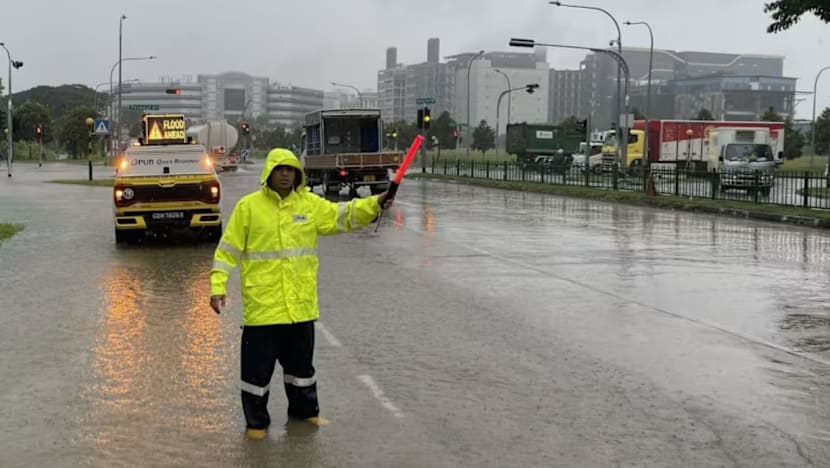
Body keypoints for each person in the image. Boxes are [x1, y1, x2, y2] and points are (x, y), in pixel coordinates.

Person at [209, 148, 394, 439]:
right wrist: (217, 286)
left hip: (301, 308)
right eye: (280, 169)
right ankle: (256, 423)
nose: (285, 174)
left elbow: (342, 215)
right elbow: (227, 251)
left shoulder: (309, 205)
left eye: (290, 169)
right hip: (263, 309)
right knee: (256, 375)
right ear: (268, 173)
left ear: (298, 174)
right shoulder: (249, 207)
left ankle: (305, 413)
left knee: (301, 370)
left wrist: (377, 203)